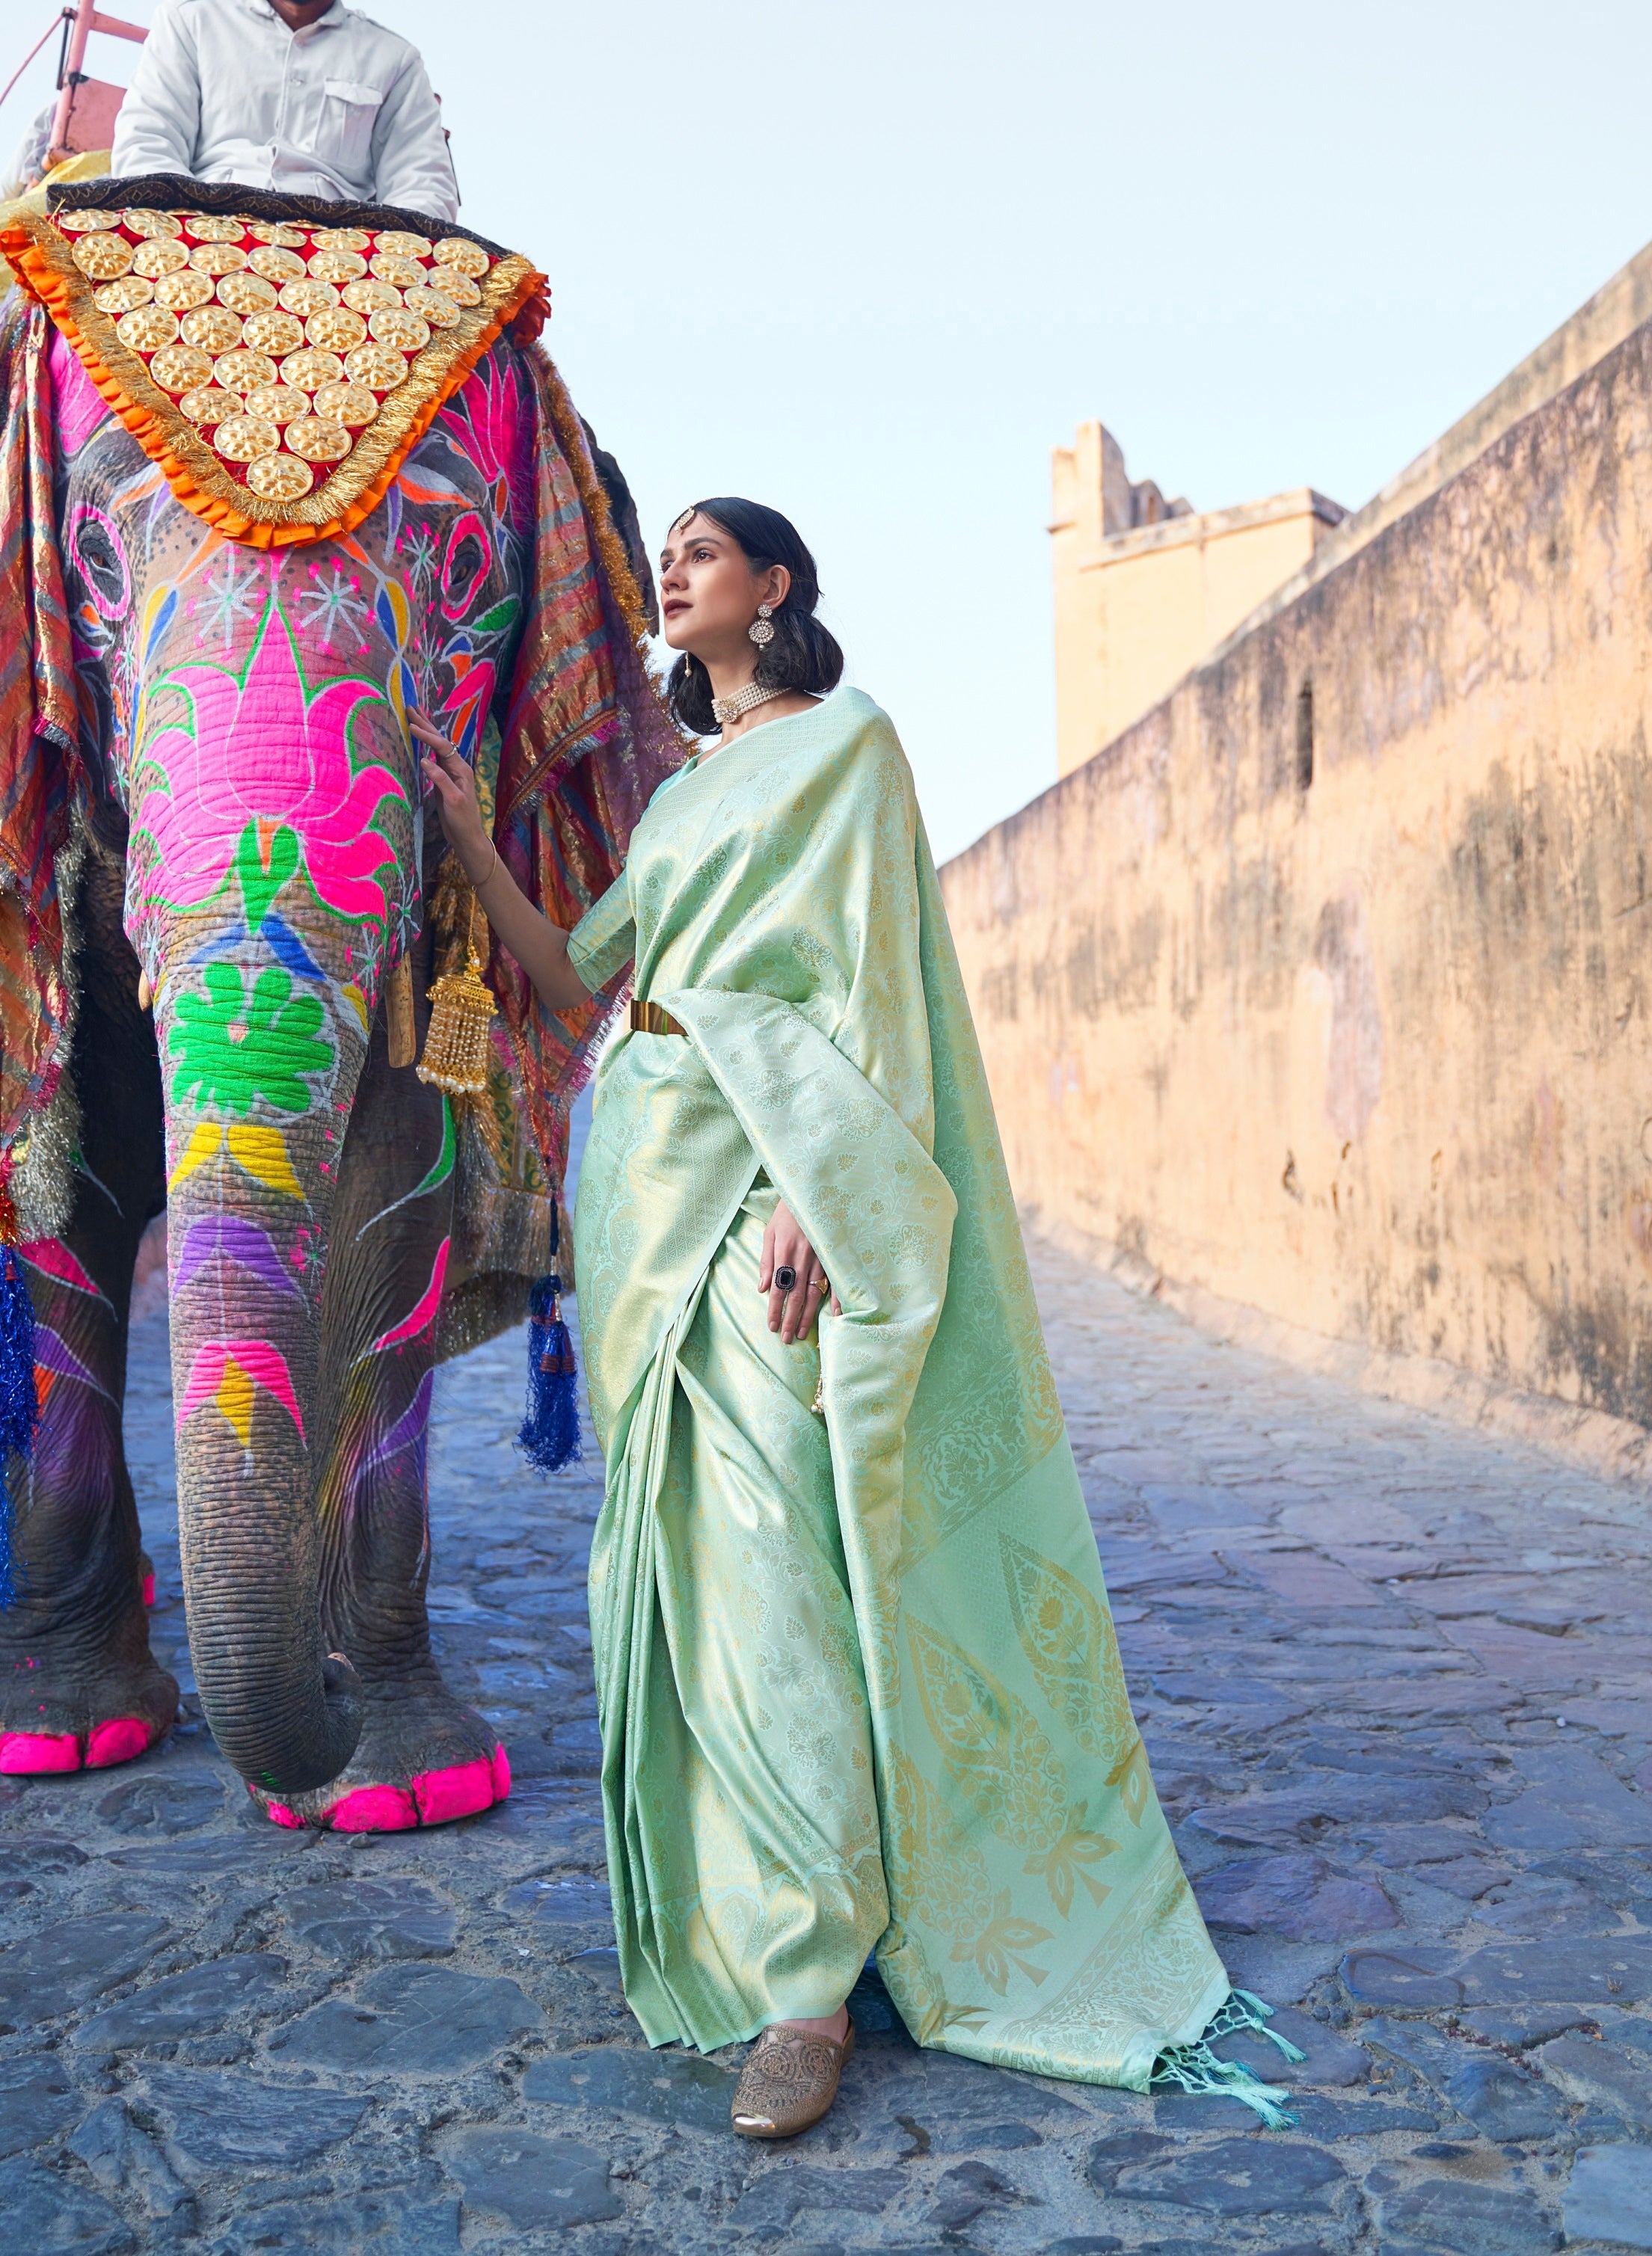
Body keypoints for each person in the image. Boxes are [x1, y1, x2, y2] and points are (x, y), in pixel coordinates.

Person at [413, 500, 1297, 2139]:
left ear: (778, 586)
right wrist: (464, 835)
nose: (672, 570)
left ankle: (812, 1983)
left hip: (768, 1172)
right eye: (665, 549)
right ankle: (747, 1917)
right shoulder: (684, 790)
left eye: (704, 549)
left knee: (773, 1562)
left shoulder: (850, 744)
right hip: (640, 1169)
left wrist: (827, 1188)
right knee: (679, 1557)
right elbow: (570, 973)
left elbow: (876, 980)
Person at [109, 0, 459, 222]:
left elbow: (424, 188)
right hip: (200, 240)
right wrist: (188, 233)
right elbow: (148, 143)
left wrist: (372, 266)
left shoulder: (394, 60)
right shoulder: (191, 21)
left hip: (343, 271)